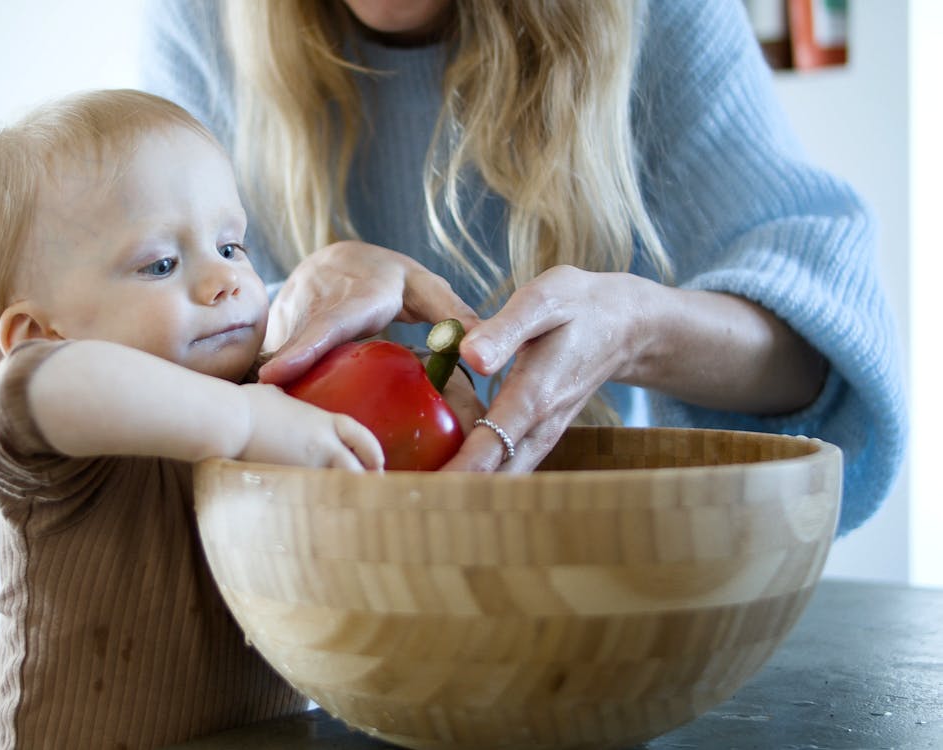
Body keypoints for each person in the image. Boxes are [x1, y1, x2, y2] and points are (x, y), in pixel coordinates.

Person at [141, 0, 907, 536]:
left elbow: (822, 352)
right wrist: (280, 308)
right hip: (297, 595)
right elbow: (122, 347)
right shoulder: (203, 17)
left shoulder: (656, 12)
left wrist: (639, 328)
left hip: (586, 585)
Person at [0, 89, 394, 750]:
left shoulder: (260, 391)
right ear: (38, 333)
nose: (223, 281)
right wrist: (246, 425)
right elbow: (56, 380)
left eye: (231, 245)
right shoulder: (41, 416)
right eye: (160, 264)